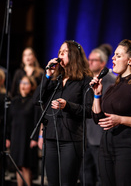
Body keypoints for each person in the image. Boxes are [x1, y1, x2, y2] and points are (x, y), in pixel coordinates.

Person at [90, 39, 131, 186]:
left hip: (129, 150)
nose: (113, 58)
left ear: (130, 60)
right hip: (107, 148)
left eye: (118, 56)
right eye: (114, 55)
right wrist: (96, 96)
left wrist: (120, 119)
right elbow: (98, 119)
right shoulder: (112, 88)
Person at [34, 40, 93, 186]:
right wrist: (47, 75)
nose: (60, 53)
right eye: (59, 50)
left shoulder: (85, 80)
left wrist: (67, 106)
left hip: (71, 140)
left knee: (67, 182)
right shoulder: (55, 80)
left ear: (74, 55)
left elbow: (89, 111)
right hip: (51, 138)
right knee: (52, 182)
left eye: (65, 51)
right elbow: (36, 100)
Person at [80, 46, 116, 186]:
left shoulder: (112, 81)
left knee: (103, 176)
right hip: (85, 136)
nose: (90, 63)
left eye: (93, 60)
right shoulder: (86, 80)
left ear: (102, 63)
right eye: (89, 60)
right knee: (85, 174)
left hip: (101, 136)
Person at [6, 75, 39, 186]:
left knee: (26, 166)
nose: (23, 86)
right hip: (16, 137)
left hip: (27, 138)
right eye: (22, 83)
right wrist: (7, 137)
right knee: (17, 166)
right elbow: (10, 121)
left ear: (32, 86)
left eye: (26, 83)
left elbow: (37, 122)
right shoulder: (15, 101)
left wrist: (35, 138)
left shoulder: (34, 102)